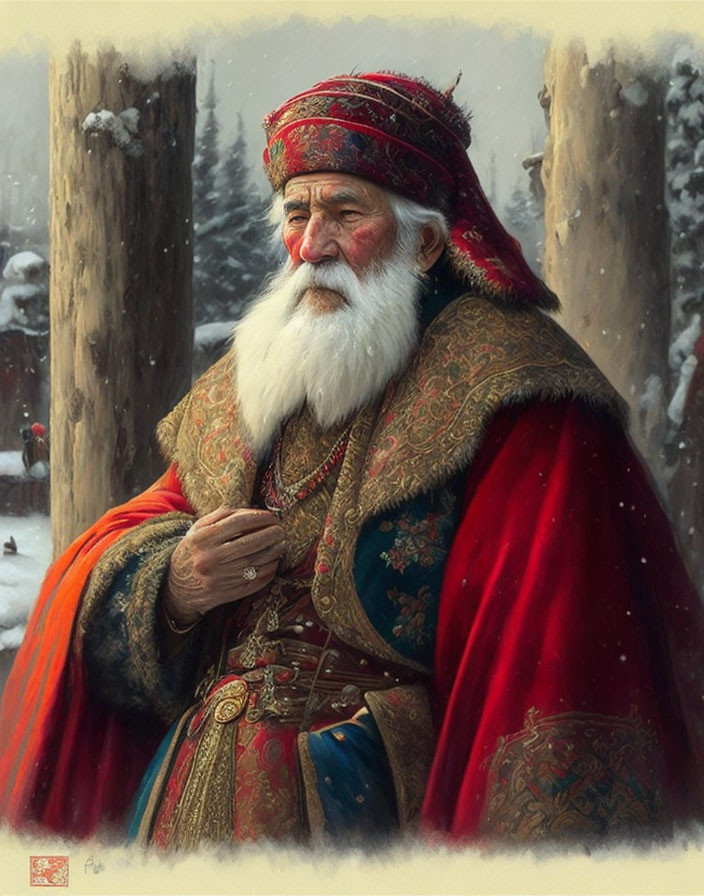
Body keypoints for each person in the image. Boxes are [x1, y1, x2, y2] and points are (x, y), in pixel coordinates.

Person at [1, 70, 703, 849]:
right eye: (296, 215)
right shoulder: (264, 372)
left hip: (373, 811)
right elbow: (146, 527)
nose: (311, 245)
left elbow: (549, 663)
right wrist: (171, 584)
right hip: (187, 797)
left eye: (344, 214)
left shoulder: (519, 393)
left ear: (426, 240)